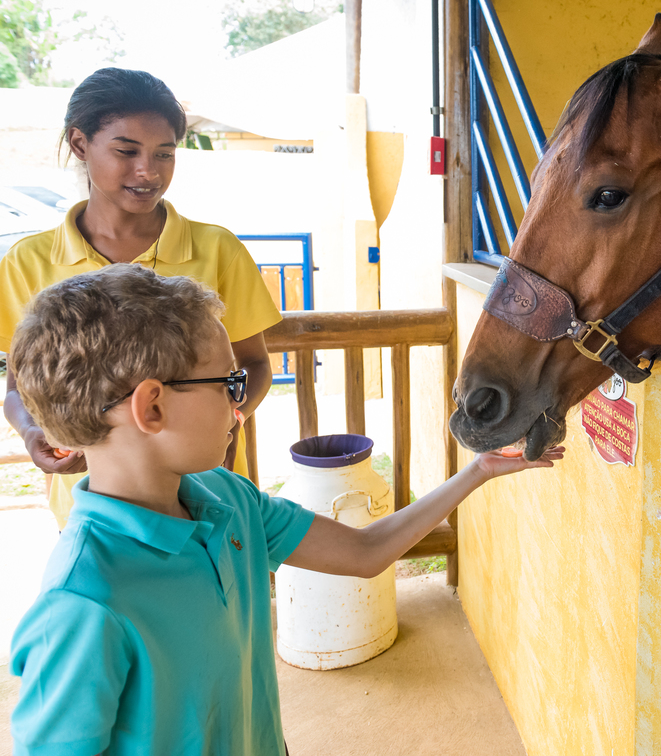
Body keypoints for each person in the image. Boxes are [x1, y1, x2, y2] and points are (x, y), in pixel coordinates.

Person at [6, 265, 562, 755]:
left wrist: (478, 470)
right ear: (151, 407)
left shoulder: (228, 499)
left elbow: (365, 551)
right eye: (229, 383)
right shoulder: (82, 605)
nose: (239, 405)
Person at [0, 67, 280, 530]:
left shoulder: (217, 250)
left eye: (164, 153)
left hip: (211, 493)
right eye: (127, 151)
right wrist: (33, 433)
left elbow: (255, 364)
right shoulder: (27, 263)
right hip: (96, 506)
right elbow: (18, 386)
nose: (149, 171)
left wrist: (228, 419)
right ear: (79, 144)